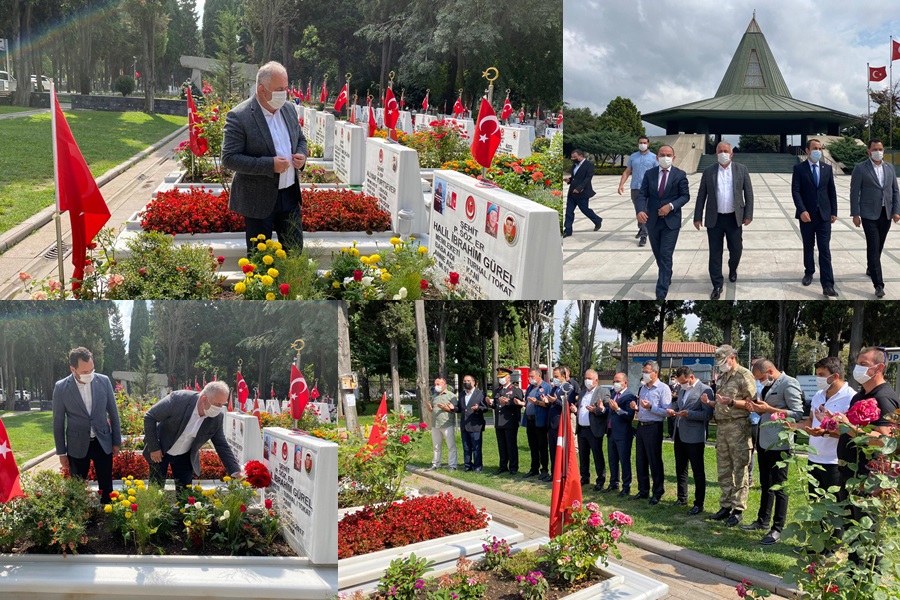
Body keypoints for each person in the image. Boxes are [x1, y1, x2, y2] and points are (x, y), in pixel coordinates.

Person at [222, 61, 307, 255]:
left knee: (294, 256)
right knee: (260, 260)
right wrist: (270, 165)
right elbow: (229, 158)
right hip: (258, 201)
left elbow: (300, 139)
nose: (284, 93)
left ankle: (291, 286)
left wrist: (302, 155)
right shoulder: (239, 116)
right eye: (279, 89)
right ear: (261, 89)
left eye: (286, 88)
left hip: (290, 197)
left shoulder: (288, 109)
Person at [834, 347, 900, 565]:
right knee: (853, 530)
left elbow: (885, 440)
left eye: (863, 363)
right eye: (858, 362)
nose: (857, 367)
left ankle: (867, 578)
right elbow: (853, 427)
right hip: (850, 473)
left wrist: (851, 428)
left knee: (867, 531)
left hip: (868, 477)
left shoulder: (883, 398)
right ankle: (854, 575)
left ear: (879, 367)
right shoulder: (861, 395)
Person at [743, 359, 803, 545]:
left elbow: (798, 413)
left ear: (769, 371)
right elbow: (768, 411)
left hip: (780, 443)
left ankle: (777, 528)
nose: (760, 382)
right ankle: (763, 520)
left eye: (761, 378)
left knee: (779, 486)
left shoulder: (789, 383)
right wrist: (759, 409)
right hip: (764, 440)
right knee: (766, 483)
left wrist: (769, 409)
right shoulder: (770, 385)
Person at [52, 347, 121, 504]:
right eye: (84, 371)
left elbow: (113, 413)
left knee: (107, 487)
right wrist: (61, 453)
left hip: (102, 441)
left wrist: (116, 441)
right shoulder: (61, 387)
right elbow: (58, 422)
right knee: (77, 489)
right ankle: (80, 519)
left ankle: (107, 514)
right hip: (77, 445)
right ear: (72, 369)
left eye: (92, 369)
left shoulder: (103, 381)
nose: (90, 374)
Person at [143, 381, 241, 491]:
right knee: (155, 491)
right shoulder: (178, 399)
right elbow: (150, 417)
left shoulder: (216, 418)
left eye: (223, 404)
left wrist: (235, 471)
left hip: (185, 455)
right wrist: (154, 447)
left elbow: (221, 444)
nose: (220, 408)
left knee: (185, 495)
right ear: (204, 399)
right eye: (218, 404)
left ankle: (184, 508)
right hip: (160, 450)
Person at [694, 141, 754, 299]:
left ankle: (732, 268)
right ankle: (717, 284)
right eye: (720, 151)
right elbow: (701, 195)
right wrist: (697, 216)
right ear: (716, 154)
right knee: (715, 253)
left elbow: (749, 193)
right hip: (715, 219)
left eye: (726, 151)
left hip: (734, 218)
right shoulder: (708, 172)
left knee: (737, 249)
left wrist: (748, 214)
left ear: (732, 153)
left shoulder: (741, 169)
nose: (723, 154)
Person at [704, 345, 756, 527]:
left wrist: (732, 402)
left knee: (740, 469)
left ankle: (738, 509)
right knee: (724, 469)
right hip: (722, 428)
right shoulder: (723, 377)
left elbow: (753, 403)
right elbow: (721, 403)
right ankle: (725, 505)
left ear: (732, 357)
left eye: (723, 361)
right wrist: (712, 403)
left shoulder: (744, 375)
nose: (721, 366)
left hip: (738, 427)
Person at [635, 145, 690, 300]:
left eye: (668, 155)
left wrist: (671, 206)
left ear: (673, 157)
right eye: (662, 154)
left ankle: (661, 292)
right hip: (652, 221)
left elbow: (685, 196)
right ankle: (667, 274)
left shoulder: (680, 175)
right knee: (658, 254)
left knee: (666, 255)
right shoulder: (649, 174)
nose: (665, 157)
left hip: (671, 222)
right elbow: (642, 195)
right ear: (656, 157)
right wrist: (640, 210)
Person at [794, 357, 852, 499]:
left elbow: (850, 433)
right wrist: (792, 426)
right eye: (817, 374)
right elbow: (810, 421)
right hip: (813, 459)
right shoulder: (818, 395)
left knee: (834, 507)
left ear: (835, 376)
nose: (817, 378)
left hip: (834, 462)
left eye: (821, 375)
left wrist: (825, 432)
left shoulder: (850, 397)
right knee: (815, 507)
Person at [850, 139, 900, 298]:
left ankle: (870, 267)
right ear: (868, 151)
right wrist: (855, 214)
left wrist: (896, 211)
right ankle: (878, 284)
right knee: (873, 245)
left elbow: (895, 191)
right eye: (875, 149)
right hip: (868, 214)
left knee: (878, 247)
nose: (878, 151)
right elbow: (854, 192)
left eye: (881, 148)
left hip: (886, 213)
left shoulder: (889, 167)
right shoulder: (860, 168)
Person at [791, 139, 838, 297]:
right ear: (807, 150)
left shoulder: (827, 168)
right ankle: (809, 272)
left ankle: (828, 284)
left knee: (824, 249)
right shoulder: (799, 169)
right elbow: (796, 191)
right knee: (808, 246)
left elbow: (831, 191)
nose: (818, 151)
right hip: (807, 216)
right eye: (815, 148)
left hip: (824, 215)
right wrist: (802, 210)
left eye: (820, 148)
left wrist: (834, 212)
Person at [668, 366, 713, 515]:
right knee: (680, 468)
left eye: (684, 382)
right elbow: (679, 405)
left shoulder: (705, 390)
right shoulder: (681, 389)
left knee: (697, 471)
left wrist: (689, 414)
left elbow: (707, 415)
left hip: (695, 436)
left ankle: (698, 503)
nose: (682, 385)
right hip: (680, 433)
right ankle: (682, 498)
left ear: (691, 377)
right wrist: (674, 410)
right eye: (680, 382)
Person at [630, 360, 670, 504]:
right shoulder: (643, 388)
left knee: (654, 460)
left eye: (647, 372)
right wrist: (636, 407)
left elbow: (667, 412)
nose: (644, 374)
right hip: (641, 426)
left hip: (654, 427)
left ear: (655, 372)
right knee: (641, 460)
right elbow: (642, 407)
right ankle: (643, 490)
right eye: (643, 371)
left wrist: (651, 407)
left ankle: (658, 491)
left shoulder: (663, 388)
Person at [618, 136, 659, 246]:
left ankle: (644, 235)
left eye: (644, 142)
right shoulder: (633, 157)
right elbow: (627, 171)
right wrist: (621, 184)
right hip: (635, 188)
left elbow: (658, 174)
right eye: (640, 142)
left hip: (648, 189)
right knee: (638, 210)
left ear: (648, 144)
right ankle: (642, 228)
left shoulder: (654, 157)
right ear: (638, 144)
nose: (642, 144)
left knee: (644, 211)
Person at [486, 367, 524, 475]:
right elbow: (497, 405)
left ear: (508, 377)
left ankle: (513, 467)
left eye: (502, 377)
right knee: (502, 446)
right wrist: (491, 403)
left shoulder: (516, 390)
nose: (501, 380)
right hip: (499, 422)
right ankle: (503, 466)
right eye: (499, 377)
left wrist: (509, 402)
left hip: (510, 422)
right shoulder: (498, 390)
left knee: (511, 445)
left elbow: (519, 405)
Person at [604, 372, 636, 497]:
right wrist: (602, 409)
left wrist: (618, 409)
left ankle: (626, 486)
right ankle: (613, 483)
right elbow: (610, 412)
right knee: (612, 459)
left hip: (623, 433)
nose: (615, 383)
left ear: (625, 383)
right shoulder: (614, 394)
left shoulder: (629, 396)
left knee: (624, 460)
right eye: (614, 381)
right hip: (611, 432)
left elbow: (629, 416)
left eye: (617, 381)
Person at [576, 369, 608, 491]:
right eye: (586, 378)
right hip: (582, 429)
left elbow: (606, 409)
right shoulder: (583, 392)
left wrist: (597, 410)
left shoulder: (603, 391)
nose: (587, 381)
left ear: (596, 380)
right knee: (583, 456)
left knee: (597, 455)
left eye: (589, 378)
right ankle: (584, 477)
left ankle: (600, 480)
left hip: (594, 430)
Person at [546, 366, 577, 480]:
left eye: (556, 377)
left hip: (561, 424)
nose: (554, 379)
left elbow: (568, 406)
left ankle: (563, 474)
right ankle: (554, 473)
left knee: (562, 451)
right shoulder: (555, 388)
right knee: (553, 450)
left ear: (563, 376)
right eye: (554, 377)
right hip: (552, 424)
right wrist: (548, 401)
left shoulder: (569, 388)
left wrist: (556, 401)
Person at [563, 149, 602, 237]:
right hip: (572, 192)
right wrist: (569, 180)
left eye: (575, 157)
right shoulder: (574, 165)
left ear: (581, 156)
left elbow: (587, 179)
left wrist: (579, 188)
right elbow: (575, 177)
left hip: (582, 192)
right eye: (572, 157)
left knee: (585, 210)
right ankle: (568, 230)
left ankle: (597, 220)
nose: (573, 159)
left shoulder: (589, 165)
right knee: (569, 211)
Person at [521, 368, 551, 480]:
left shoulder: (546, 387)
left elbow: (548, 405)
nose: (530, 378)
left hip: (540, 421)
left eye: (532, 376)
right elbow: (527, 402)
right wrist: (521, 403)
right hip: (530, 421)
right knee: (533, 446)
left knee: (542, 446)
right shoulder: (530, 387)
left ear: (539, 376)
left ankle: (544, 469)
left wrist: (537, 402)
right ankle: (534, 468)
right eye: (529, 376)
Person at [426, 377, 458, 471]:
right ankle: (436, 464)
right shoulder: (434, 396)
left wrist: (446, 408)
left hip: (447, 424)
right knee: (436, 446)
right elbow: (433, 410)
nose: (436, 386)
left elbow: (455, 410)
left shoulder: (451, 395)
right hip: (435, 425)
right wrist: (429, 408)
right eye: (435, 384)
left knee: (451, 446)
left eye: (438, 384)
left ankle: (452, 465)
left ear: (444, 384)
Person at [457, 375, 488, 472]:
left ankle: (478, 466)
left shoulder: (480, 394)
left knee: (476, 448)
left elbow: (485, 408)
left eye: (468, 381)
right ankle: (468, 465)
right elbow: (459, 408)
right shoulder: (462, 394)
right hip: (464, 425)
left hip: (475, 425)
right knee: (466, 448)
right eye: (465, 381)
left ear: (473, 382)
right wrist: (451, 408)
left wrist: (478, 408)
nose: (466, 382)